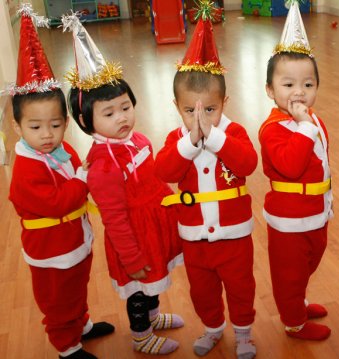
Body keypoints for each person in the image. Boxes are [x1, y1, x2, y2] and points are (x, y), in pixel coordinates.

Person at [63, 13, 183, 355]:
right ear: (87, 122)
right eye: (109, 113)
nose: (123, 117)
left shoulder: (140, 139)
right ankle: (142, 336)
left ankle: (155, 317)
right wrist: (130, 257)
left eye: (125, 107)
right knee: (138, 289)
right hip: (133, 240)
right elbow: (114, 219)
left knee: (153, 283)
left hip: (153, 230)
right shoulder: (102, 166)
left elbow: (156, 181)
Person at [7, 5, 114, 359]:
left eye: (55, 124)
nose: (47, 135)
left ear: (66, 121)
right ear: (17, 127)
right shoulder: (25, 168)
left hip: (73, 241)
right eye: (35, 128)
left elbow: (76, 176)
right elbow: (56, 202)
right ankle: (67, 346)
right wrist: (83, 179)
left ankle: (80, 325)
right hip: (51, 251)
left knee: (77, 286)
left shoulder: (61, 147)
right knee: (58, 299)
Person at [154, 5, 258, 358]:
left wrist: (214, 138)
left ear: (224, 103)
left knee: (241, 288)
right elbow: (165, 171)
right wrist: (188, 142)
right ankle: (213, 328)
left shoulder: (233, 133)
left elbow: (248, 162)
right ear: (176, 106)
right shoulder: (176, 139)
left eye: (210, 110)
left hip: (235, 236)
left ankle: (243, 332)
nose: (200, 118)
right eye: (190, 111)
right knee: (202, 290)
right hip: (195, 239)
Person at [258, 0, 332, 341]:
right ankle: (294, 321)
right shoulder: (274, 129)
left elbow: (322, 163)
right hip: (289, 219)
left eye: (308, 84)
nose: (299, 92)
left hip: (316, 212)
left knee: (309, 262)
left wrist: (329, 202)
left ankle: (299, 300)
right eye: (288, 85)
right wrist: (303, 128)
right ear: (271, 91)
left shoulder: (313, 118)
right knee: (289, 272)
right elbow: (290, 166)